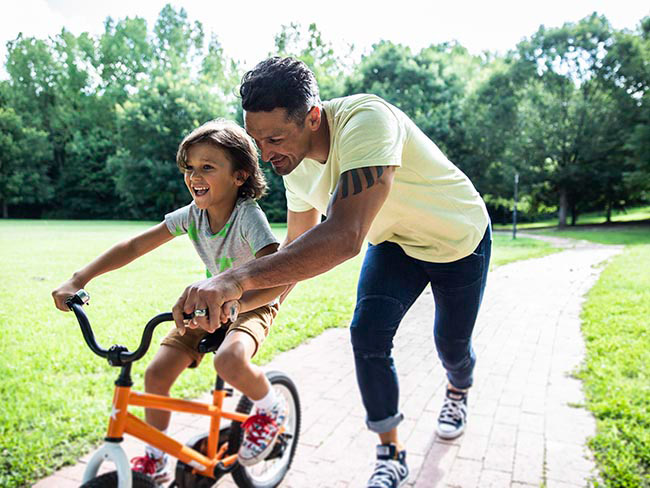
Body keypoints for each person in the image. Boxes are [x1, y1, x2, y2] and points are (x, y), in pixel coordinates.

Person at [173, 57, 491, 488]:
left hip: (458, 240)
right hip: (395, 243)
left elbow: (344, 236)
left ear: (314, 117)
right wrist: (240, 308)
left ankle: (458, 387)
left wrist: (233, 279)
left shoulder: (367, 120)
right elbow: (294, 253)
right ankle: (390, 454)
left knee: (451, 344)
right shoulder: (293, 163)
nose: (265, 155)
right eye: (256, 140)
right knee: (366, 335)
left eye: (275, 138)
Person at [52, 119, 289, 483]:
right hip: (209, 303)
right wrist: (79, 278)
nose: (194, 175)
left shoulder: (248, 217)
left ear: (240, 176)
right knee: (155, 373)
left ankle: (270, 409)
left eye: (207, 167)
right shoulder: (192, 215)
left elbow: (278, 274)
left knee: (229, 359)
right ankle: (156, 457)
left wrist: (237, 304)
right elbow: (133, 245)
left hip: (253, 303)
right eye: (189, 168)